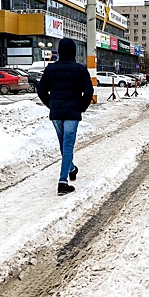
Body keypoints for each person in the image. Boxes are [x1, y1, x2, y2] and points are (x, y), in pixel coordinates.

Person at [37, 38, 94, 196]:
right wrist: (81, 107)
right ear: (74, 52)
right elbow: (89, 92)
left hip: (56, 113)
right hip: (72, 113)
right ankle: (63, 182)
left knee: (63, 145)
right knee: (67, 146)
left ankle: (71, 168)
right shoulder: (80, 69)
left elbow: (41, 91)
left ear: (60, 51)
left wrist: (51, 105)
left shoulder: (50, 69)